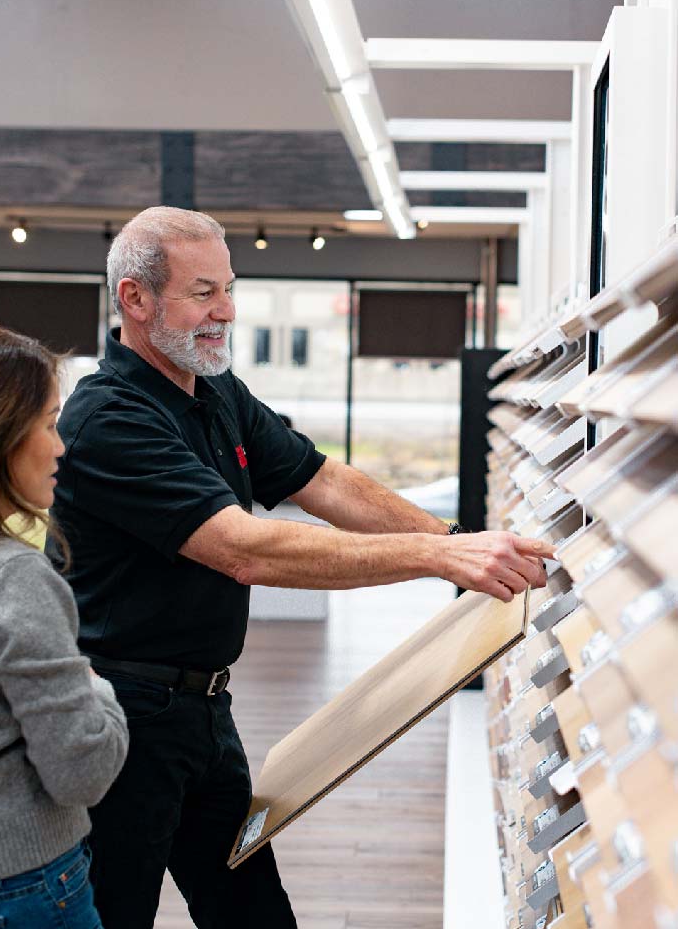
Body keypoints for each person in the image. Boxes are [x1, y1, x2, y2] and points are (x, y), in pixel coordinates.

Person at [48, 206, 555, 929]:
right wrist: (441, 556)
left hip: (202, 710)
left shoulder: (215, 390)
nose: (224, 310)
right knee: (113, 913)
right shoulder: (110, 417)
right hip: (121, 718)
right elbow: (244, 550)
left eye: (228, 288)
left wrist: (457, 541)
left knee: (254, 912)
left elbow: (323, 481)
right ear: (135, 299)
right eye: (201, 292)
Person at [0, 326, 129, 929]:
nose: (61, 445)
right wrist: (98, 685)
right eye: (48, 423)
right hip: (22, 891)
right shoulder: (11, 578)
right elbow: (83, 773)